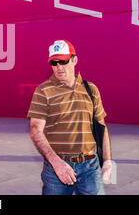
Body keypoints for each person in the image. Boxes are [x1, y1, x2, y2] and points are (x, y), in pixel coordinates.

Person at [27, 40, 113, 195]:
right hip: (55, 169)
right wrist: (56, 163)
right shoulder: (43, 91)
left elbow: (101, 126)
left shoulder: (91, 89)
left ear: (74, 60)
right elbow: (35, 130)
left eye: (63, 61)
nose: (59, 67)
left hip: (90, 168)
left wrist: (107, 161)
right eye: (54, 62)